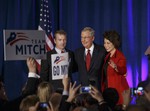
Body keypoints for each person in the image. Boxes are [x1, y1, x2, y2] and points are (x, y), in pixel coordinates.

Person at [101, 30, 129, 105]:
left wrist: (116, 67)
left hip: (117, 91)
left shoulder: (120, 56)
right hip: (108, 90)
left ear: (114, 43)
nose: (105, 45)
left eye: (108, 43)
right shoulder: (107, 56)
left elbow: (123, 70)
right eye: (104, 43)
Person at [74, 27, 106, 91]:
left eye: (86, 37)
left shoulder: (102, 51)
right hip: (83, 90)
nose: (83, 40)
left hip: (98, 89)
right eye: (82, 37)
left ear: (93, 38)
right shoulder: (77, 52)